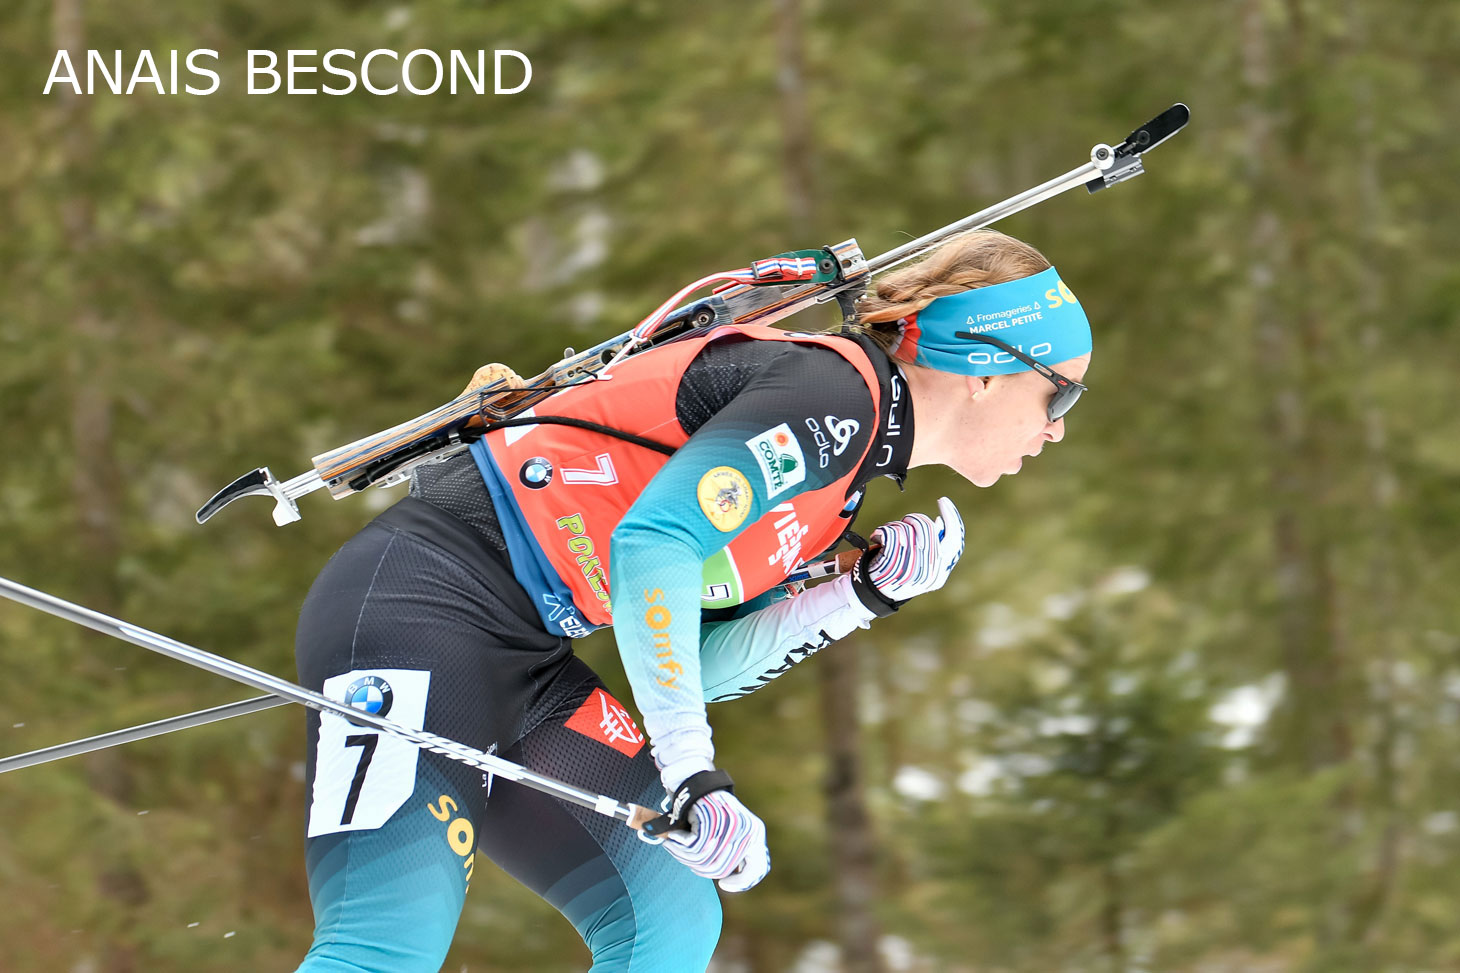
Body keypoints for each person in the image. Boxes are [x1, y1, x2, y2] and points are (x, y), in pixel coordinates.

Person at [292, 228, 1092, 971]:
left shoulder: (840, 484)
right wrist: (690, 770)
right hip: (421, 604)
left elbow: (690, 658)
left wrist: (859, 594)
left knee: (667, 922)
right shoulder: (833, 399)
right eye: (1059, 396)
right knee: (385, 944)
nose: (1057, 431)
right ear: (986, 371)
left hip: (528, 658)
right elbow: (653, 545)